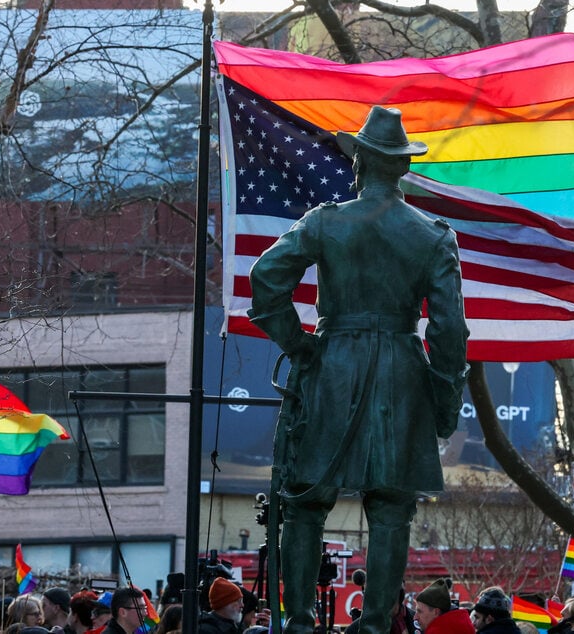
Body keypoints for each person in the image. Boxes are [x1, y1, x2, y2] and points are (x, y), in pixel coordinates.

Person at [248, 105, 469, 634]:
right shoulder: (433, 236)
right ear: (401, 168)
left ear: (361, 164)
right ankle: (373, 629)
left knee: (305, 502)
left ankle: (299, 625)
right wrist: (443, 401)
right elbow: (449, 332)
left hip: (333, 365)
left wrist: (299, 346)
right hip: (400, 369)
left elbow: (265, 279)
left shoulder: (325, 222)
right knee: (392, 508)